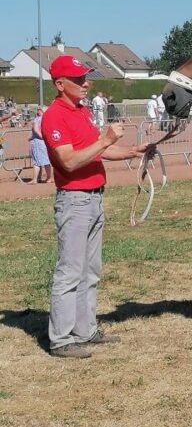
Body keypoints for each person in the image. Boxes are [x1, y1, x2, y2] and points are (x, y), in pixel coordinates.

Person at [42, 55, 150, 359]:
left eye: (84, 78)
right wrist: (104, 140)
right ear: (60, 84)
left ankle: (85, 331)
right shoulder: (54, 116)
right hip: (75, 200)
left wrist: (131, 151)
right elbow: (69, 161)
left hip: (92, 198)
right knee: (70, 271)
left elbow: (96, 152)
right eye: (78, 79)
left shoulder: (80, 112)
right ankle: (61, 339)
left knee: (90, 271)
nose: (85, 83)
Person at [29, 106, 52, 184]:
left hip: (38, 141)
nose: (38, 111)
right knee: (46, 161)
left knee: (36, 161)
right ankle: (49, 178)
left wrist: (41, 137)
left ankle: (35, 179)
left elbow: (35, 129)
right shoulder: (48, 119)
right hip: (45, 142)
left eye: (39, 110)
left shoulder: (37, 119)